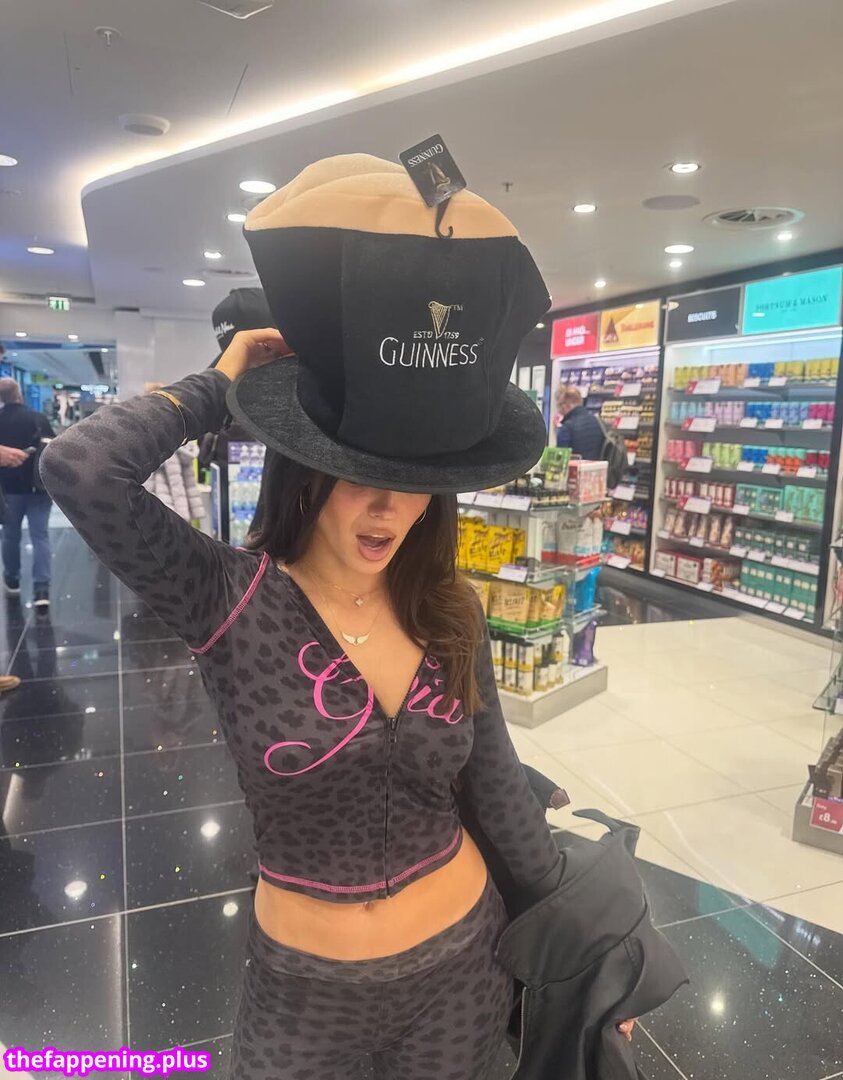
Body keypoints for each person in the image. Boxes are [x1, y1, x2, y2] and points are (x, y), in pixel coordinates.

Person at [41, 154, 634, 1079]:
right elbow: (80, 469)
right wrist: (216, 384)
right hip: (305, 996)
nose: (388, 509)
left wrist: (591, 956)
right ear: (306, 467)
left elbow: (495, 789)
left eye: (415, 485)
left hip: (463, 970)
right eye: (360, 477)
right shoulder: (227, 597)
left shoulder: (448, 611)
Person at [0, 385, 55, 607]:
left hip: (7, 489)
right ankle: (42, 588)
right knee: (40, 536)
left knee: (10, 536)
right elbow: (54, 451)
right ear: (19, 394)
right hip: (38, 487)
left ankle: (12, 579)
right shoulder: (38, 419)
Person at [555, 384, 605, 458]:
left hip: (575, 465)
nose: (559, 410)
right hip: (598, 465)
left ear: (566, 405)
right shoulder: (597, 421)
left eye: (559, 405)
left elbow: (560, 458)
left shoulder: (567, 427)